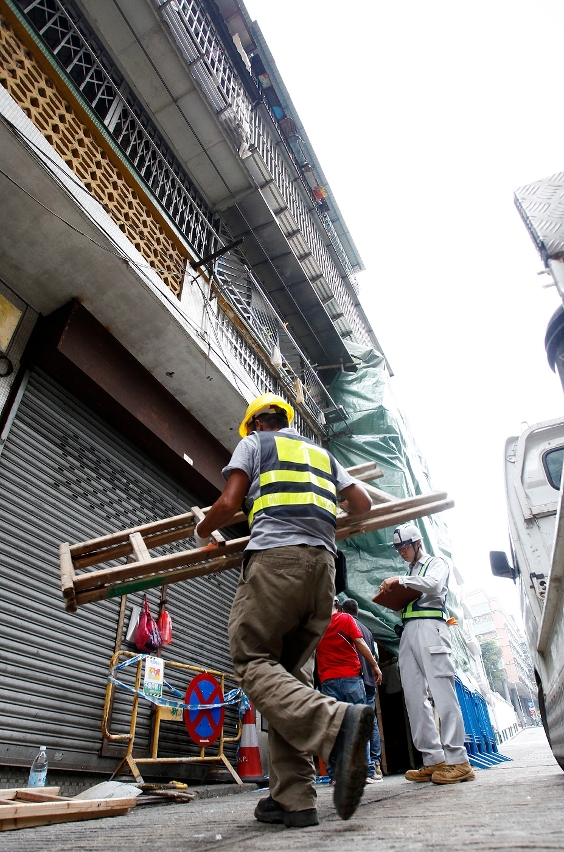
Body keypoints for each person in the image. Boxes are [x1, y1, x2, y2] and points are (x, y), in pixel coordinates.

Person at [194, 393, 374, 827]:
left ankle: (336, 725)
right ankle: (295, 800)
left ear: (256, 424)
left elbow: (229, 502)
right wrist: (324, 514)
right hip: (323, 570)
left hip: (276, 562)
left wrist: (202, 528)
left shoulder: (256, 445)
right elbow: (363, 504)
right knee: (289, 680)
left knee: (251, 656)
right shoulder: (322, 455)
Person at [378, 522, 475, 785]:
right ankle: (434, 760)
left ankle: (459, 761)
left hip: (431, 627)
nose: (401, 551)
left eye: (405, 546)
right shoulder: (411, 571)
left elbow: (433, 585)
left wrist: (401, 581)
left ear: (418, 543)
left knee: (442, 691)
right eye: (398, 548)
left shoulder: (436, 563)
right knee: (413, 695)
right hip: (409, 631)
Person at [316, 597, 382, 784]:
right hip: (351, 680)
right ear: (337, 606)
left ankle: (336, 775)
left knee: (334, 729)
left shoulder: (317, 627)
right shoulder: (346, 619)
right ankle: (366, 772)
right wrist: (375, 665)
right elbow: (360, 643)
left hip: (328, 682)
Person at [341, 598, 383, 783]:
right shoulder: (367, 630)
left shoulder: (345, 624)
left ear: (343, 610)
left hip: (355, 678)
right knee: (370, 722)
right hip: (369, 681)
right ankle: (375, 764)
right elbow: (374, 654)